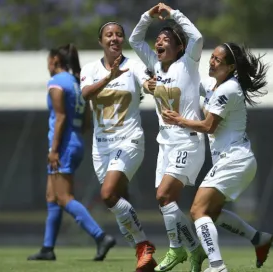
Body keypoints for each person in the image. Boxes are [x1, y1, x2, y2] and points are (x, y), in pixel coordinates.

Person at [162, 43, 273, 272]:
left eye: (218, 60)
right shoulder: (216, 85)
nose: (211, 62)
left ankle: (217, 266)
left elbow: (208, 126)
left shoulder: (228, 89)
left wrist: (178, 120)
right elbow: (191, 84)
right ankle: (258, 239)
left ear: (231, 67)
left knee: (197, 211)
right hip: (235, 160)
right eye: (211, 57)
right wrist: (159, 81)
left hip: (234, 159)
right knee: (211, 213)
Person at [129, 3, 207, 272]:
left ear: (179, 48)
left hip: (188, 140)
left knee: (164, 194)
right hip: (165, 143)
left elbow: (197, 37)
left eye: (166, 40)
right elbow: (134, 39)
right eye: (158, 40)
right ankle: (190, 250)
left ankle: (180, 249)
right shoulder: (154, 65)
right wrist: (148, 16)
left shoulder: (188, 63)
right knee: (165, 201)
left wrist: (172, 13)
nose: (159, 43)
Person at [28, 44, 116, 262]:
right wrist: (75, 136)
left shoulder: (57, 82)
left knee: (64, 197)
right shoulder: (77, 83)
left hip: (63, 145)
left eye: (49, 60)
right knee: (53, 197)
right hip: (75, 141)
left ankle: (101, 236)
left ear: (56, 60)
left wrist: (54, 149)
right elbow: (87, 120)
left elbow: (60, 118)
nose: (48, 65)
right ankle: (47, 248)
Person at [80, 21, 156, 271]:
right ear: (100, 41)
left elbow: (146, 83)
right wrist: (109, 78)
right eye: (109, 35)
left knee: (108, 195)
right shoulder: (90, 68)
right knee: (119, 201)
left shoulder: (133, 65)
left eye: (119, 35)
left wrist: (151, 86)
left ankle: (144, 247)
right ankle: (144, 253)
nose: (114, 38)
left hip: (129, 140)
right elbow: (86, 94)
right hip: (101, 147)